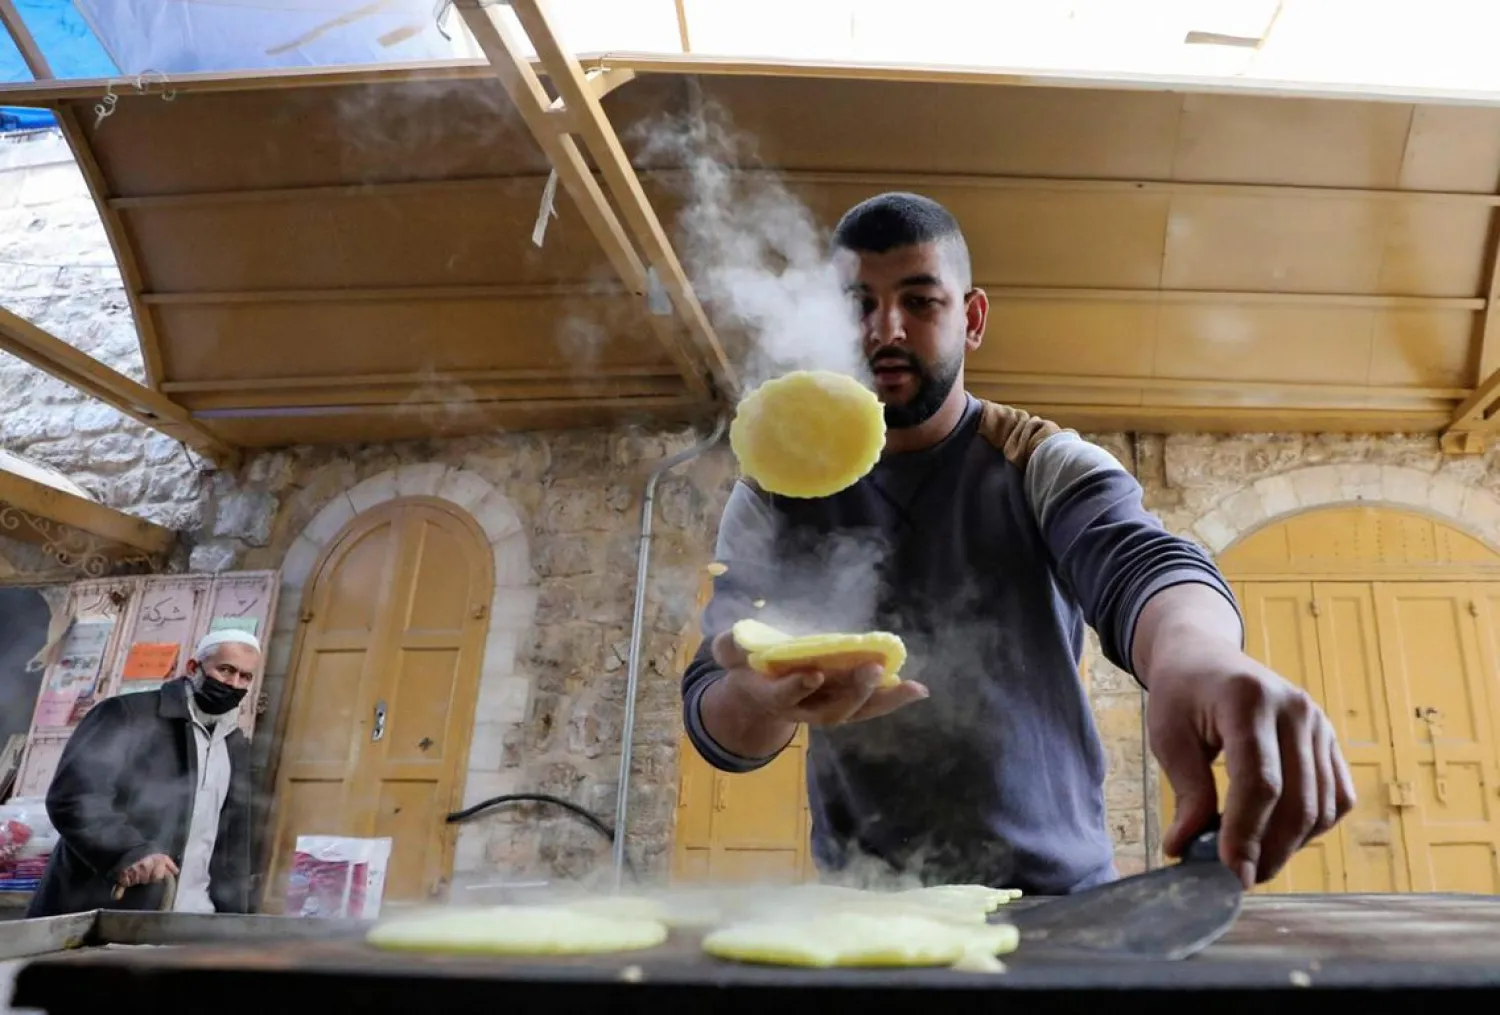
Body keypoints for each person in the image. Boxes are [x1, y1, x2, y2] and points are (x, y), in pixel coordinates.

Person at [680, 191, 1356, 895]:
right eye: (860, 304)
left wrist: (1195, 654)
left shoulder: (1040, 458)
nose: (887, 330)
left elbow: (1141, 560)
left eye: (920, 301)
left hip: (1059, 901)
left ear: (971, 319)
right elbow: (715, 717)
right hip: (870, 913)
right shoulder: (777, 493)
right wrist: (759, 701)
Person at [27, 629, 259, 917]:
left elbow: (232, 841)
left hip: (196, 915)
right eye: (225, 670)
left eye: (245, 677)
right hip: (108, 911)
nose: (234, 683)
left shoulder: (234, 744)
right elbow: (74, 798)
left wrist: (234, 918)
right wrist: (128, 851)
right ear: (192, 668)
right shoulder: (126, 715)